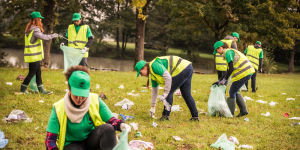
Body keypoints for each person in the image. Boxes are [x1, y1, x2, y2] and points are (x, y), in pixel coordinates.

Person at [45, 66, 131, 150]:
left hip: (91, 140)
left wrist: (121, 125)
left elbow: (112, 121)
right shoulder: (58, 108)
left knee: (108, 129)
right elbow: (50, 140)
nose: (79, 98)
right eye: (76, 94)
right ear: (69, 89)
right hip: (71, 144)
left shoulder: (95, 100)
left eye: (83, 95)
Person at [134, 56, 199, 121]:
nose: (141, 75)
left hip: (182, 68)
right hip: (187, 67)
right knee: (186, 94)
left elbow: (168, 77)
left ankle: (165, 116)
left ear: (145, 68)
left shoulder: (154, 65)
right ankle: (195, 117)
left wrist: (166, 92)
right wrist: (152, 107)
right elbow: (154, 91)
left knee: (169, 92)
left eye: (140, 72)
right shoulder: (153, 75)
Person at [213, 41, 255, 117]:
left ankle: (230, 113)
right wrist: (219, 80)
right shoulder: (229, 52)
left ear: (220, 48)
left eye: (217, 50)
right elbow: (228, 70)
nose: (217, 52)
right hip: (246, 72)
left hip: (244, 73)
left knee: (232, 91)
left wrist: (224, 80)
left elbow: (231, 69)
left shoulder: (227, 53)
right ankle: (244, 111)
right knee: (234, 91)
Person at [20, 11, 58, 94]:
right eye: (40, 18)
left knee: (38, 72)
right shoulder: (35, 29)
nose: (41, 20)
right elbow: (42, 37)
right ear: (37, 19)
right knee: (32, 73)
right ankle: (23, 89)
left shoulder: (29, 28)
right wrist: (53, 35)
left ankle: (42, 90)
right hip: (34, 55)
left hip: (32, 55)